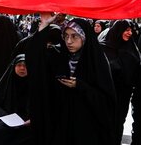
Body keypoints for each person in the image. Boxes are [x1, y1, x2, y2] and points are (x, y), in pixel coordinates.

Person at [26, 14, 118, 145]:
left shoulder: (97, 62)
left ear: (84, 37)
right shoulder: (59, 57)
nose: (69, 41)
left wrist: (81, 86)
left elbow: (107, 102)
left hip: (87, 130)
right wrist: (44, 26)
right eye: (66, 36)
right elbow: (34, 60)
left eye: (74, 36)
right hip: (60, 127)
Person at [99, 19, 141, 143]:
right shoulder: (104, 47)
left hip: (123, 95)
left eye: (130, 30)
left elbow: (138, 69)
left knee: (118, 124)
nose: (129, 33)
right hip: (105, 95)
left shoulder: (131, 48)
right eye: (126, 30)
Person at [0, 54, 31, 145]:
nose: (22, 68)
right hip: (7, 119)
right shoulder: (6, 84)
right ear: (14, 67)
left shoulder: (36, 85)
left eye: (25, 65)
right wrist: (7, 117)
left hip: (29, 121)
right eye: (19, 65)